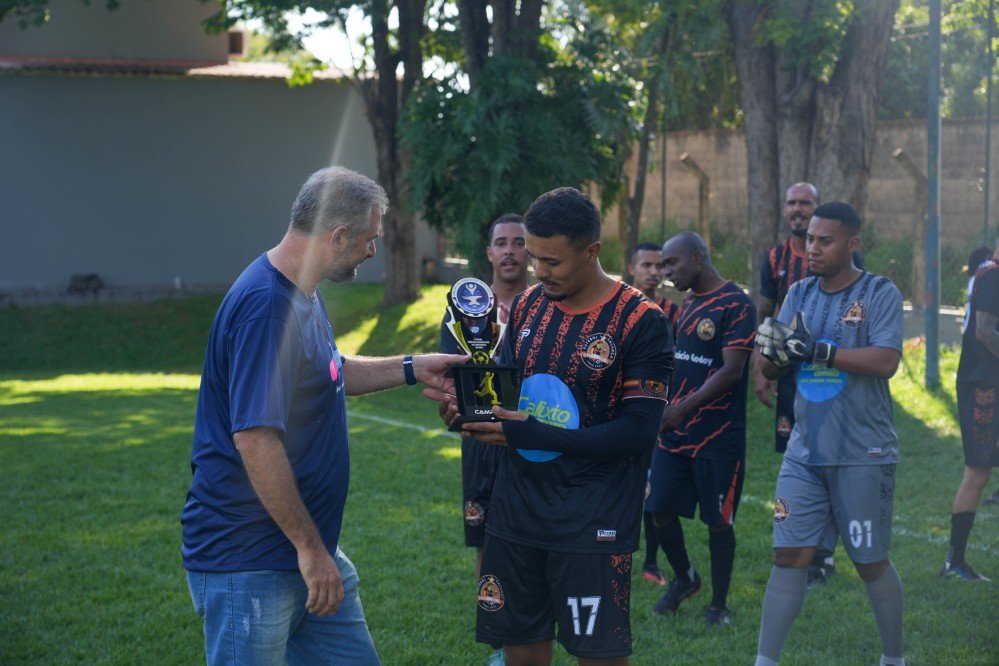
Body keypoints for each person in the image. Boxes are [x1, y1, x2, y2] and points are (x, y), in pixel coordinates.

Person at [181, 166, 465, 666]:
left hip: (303, 552)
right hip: (252, 560)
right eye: (369, 240)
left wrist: (414, 366)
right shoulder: (267, 309)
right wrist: (310, 551)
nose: (372, 250)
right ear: (336, 237)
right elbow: (255, 440)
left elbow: (330, 369)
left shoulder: (300, 290)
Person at [442, 187, 674, 665]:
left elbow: (639, 431)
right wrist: (471, 413)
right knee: (521, 653)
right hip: (517, 514)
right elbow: (507, 397)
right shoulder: (529, 305)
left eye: (553, 261)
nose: (539, 271)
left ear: (591, 251)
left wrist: (534, 434)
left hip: (591, 521)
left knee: (599, 656)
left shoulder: (640, 320)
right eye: (534, 257)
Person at [754, 202, 906, 666]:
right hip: (804, 451)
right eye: (810, 240)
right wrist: (773, 353)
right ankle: (765, 661)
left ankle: (893, 658)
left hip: (864, 452)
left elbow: (886, 361)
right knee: (789, 557)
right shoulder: (798, 292)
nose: (813, 249)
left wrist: (819, 350)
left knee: (869, 563)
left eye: (826, 240)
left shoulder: (879, 291)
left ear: (852, 243)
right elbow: (769, 365)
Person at [646, 232, 755, 628]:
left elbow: (731, 371)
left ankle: (718, 605)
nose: (666, 272)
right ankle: (686, 578)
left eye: (671, 263)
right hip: (674, 433)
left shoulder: (737, 304)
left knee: (718, 521)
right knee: (657, 508)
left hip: (717, 436)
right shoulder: (689, 303)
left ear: (696, 257)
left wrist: (682, 409)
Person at [440, 214, 529, 666]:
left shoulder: (547, 307)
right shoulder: (464, 305)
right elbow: (448, 377)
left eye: (519, 242)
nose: (510, 250)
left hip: (532, 440)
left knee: (533, 540)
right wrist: (452, 409)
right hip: (479, 440)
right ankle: (498, 642)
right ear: (489, 252)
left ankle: (533, 631)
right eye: (502, 242)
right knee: (486, 541)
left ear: (530, 250)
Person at [752, 182, 846, 588]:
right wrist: (760, 367)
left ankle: (823, 554)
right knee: (799, 461)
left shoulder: (842, 256)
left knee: (829, 461)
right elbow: (766, 313)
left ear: (816, 208)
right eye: (791, 202)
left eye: (805, 203)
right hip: (789, 377)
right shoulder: (774, 258)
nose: (797, 209)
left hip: (827, 376)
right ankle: (803, 546)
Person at [941, 236, 998, 581]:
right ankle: (954, 562)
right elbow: (985, 332)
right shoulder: (992, 274)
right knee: (977, 472)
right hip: (984, 385)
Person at [626, 241, 680, 587]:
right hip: (623, 408)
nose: (654, 272)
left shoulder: (673, 312)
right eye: (646, 265)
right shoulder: (619, 307)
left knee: (653, 485)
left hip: (659, 409)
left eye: (659, 266)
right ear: (631, 268)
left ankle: (650, 561)